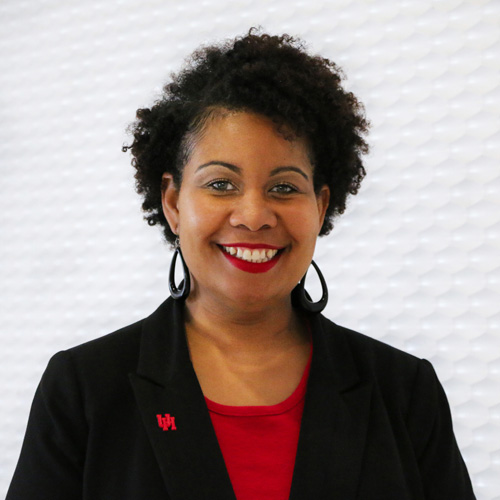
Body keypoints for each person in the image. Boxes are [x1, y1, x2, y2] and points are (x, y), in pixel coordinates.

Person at [7, 30, 475, 500]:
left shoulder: (403, 391)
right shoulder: (83, 390)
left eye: (285, 188)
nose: (253, 216)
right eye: (220, 184)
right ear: (172, 202)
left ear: (321, 204)